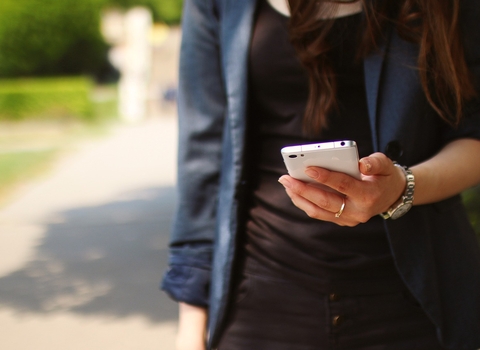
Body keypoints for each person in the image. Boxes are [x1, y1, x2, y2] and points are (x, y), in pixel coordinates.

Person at [161, 0, 480, 349]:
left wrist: (403, 187)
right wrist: (191, 327)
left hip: (416, 299)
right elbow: (203, 160)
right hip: (259, 300)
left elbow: (472, 132)